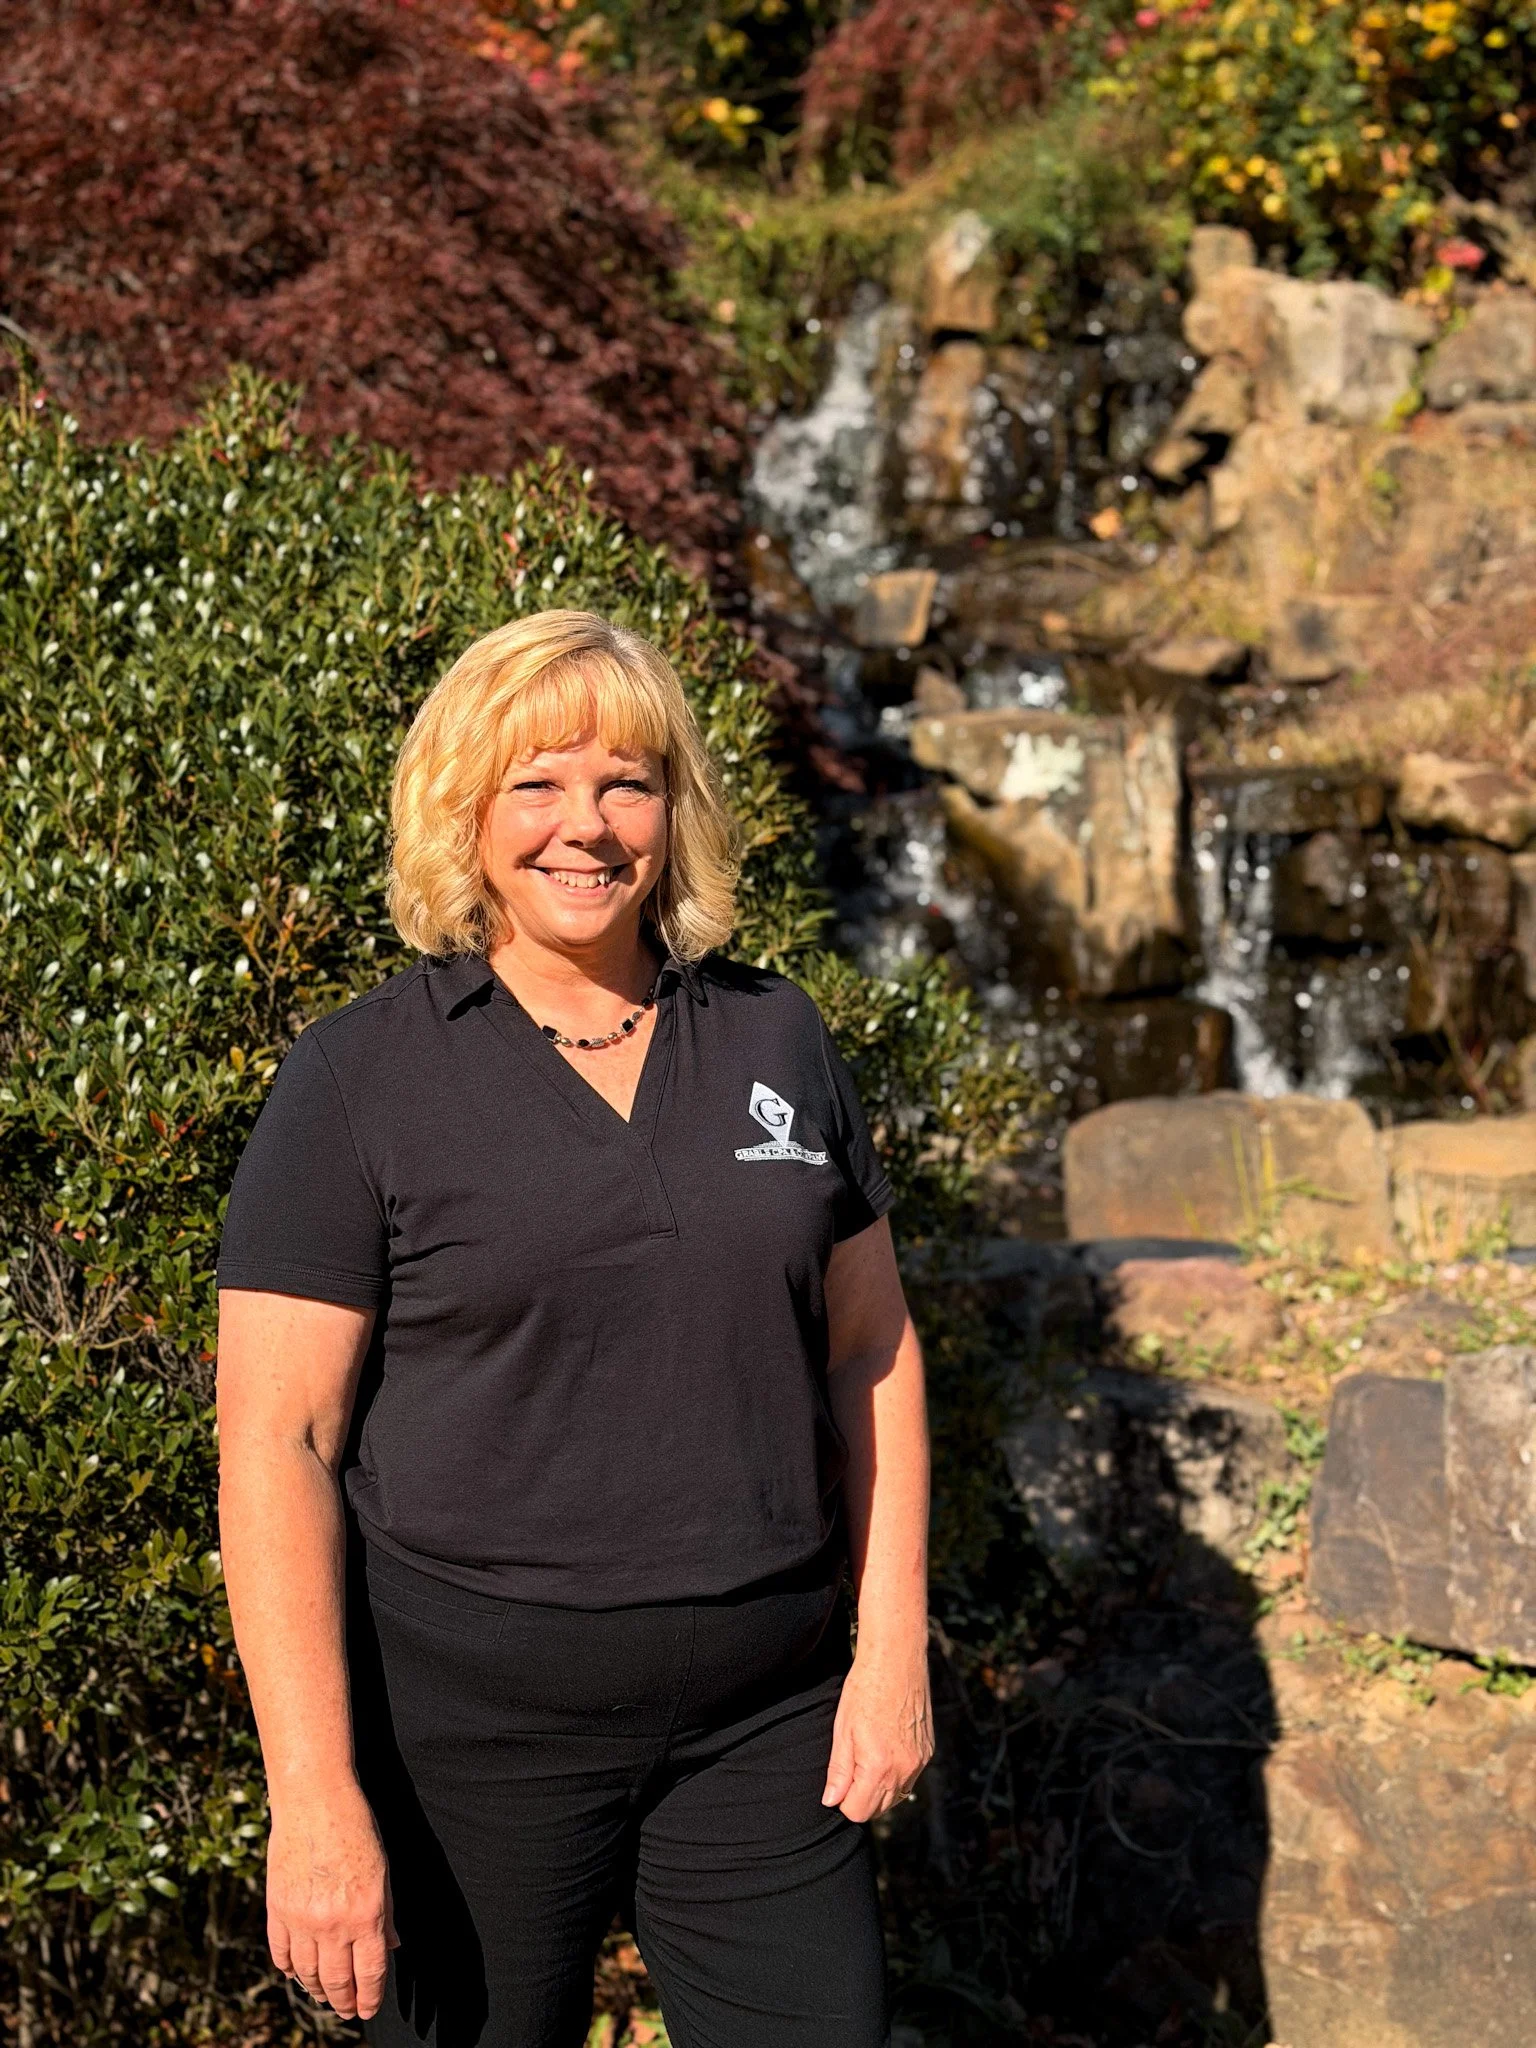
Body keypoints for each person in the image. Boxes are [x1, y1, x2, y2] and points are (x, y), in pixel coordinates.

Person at [215, 610, 933, 2048]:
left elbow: (873, 1349)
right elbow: (278, 1444)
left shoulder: (776, 1036)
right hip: (467, 1744)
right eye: (535, 784)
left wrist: (892, 1648)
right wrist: (314, 1794)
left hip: (764, 1722)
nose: (585, 827)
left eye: (627, 783)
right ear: (466, 813)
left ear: (676, 810)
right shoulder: (359, 1078)